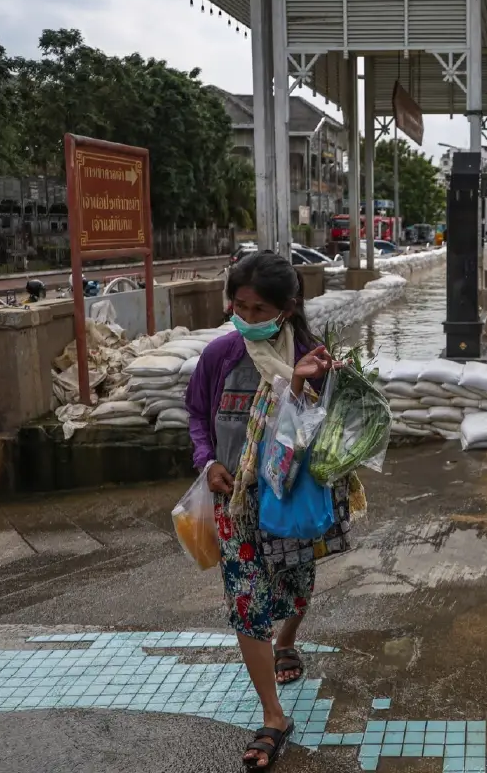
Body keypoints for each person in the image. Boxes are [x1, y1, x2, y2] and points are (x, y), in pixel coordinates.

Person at [185, 250, 353, 770]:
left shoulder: (312, 358)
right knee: (246, 602)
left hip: (290, 499)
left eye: (259, 309)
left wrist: (311, 384)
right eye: (240, 306)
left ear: (287, 308)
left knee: (297, 585)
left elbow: (320, 435)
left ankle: (288, 640)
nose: (248, 318)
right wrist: (208, 460)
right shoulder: (220, 356)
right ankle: (273, 715)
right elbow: (197, 414)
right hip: (236, 502)